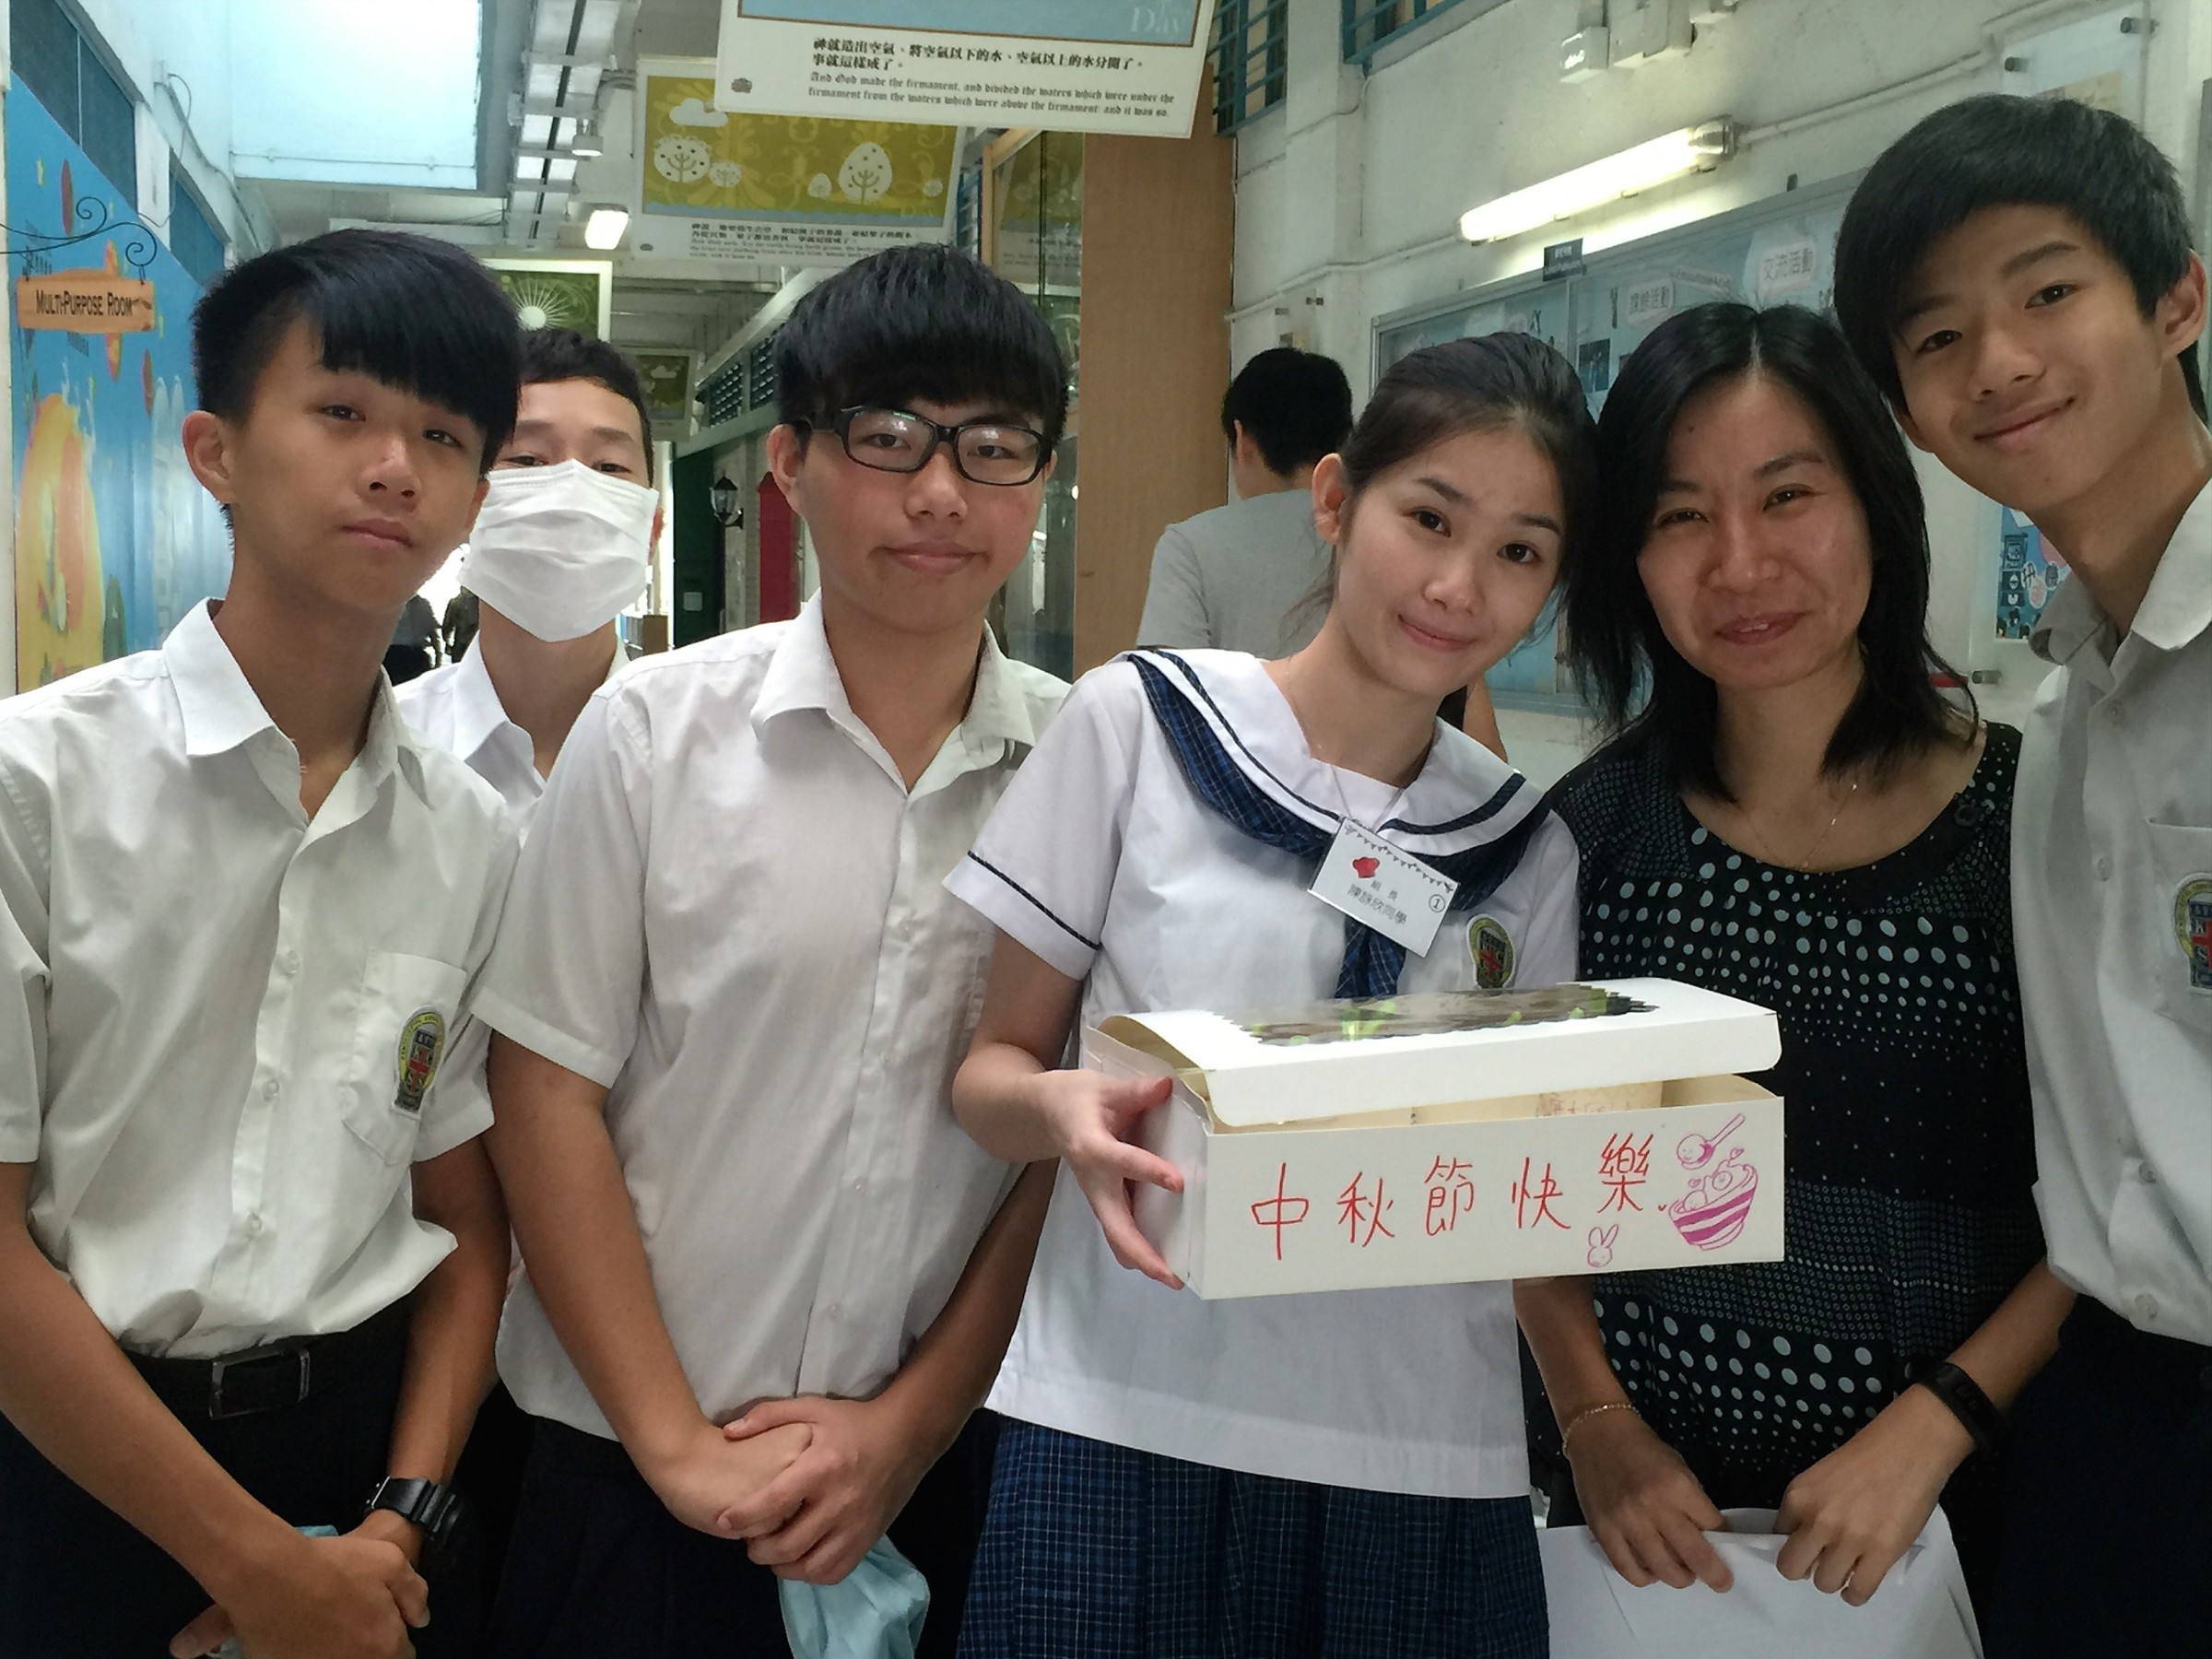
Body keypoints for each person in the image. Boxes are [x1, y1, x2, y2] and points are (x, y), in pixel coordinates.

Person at [946, 332, 1591, 1658]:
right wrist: (1061, 1110)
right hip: (1127, 1409)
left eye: (1521, 553)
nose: (1460, 586)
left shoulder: (1524, 847)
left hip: (1419, 1447)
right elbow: (988, 1077)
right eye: (1429, 520)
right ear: (1336, 498)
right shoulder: (1141, 726)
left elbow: (1526, 1179)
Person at [471, 242, 1070, 1659]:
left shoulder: (1087, 765)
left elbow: (1055, 1148)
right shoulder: (652, 735)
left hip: (941, 1475)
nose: (942, 491)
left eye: (992, 446)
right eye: (890, 436)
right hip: (627, 1479)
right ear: (792, 464)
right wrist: (676, 1445)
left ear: (1040, 480)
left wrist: (909, 1430)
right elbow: (542, 1091)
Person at [0, 229, 522, 1659]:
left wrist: (399, 1522)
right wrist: (261, 1571)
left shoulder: (469, 836)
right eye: (342, 411)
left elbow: (464, 1225)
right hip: (71, 1459)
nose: (395, 467)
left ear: (475, 497)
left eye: (443, 436)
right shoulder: (36, 784)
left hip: (360, 1474)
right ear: (215, 451)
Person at [1515, 301, 2065, 1617]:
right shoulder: (1592, 837)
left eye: (1787, 495)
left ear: (1876, 503)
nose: (1740, 562)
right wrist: (1595, 1423)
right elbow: (1521, 1171)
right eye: (1680, 515)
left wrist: (1936, 1423)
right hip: (1632, 1538)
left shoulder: (2031, 825)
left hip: (1952, 1526)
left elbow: (2125, 1187)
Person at [1833, 93, 2212, 1654]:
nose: (1996, 363)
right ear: (1912, 417)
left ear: (2178, 298)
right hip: (2112, 1426)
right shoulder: (2052, 727)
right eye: (1937, 338)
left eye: (2048, 291)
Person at [398, 328, 658, 830]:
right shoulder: (384, 751)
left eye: (608, 466)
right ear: (468, 507)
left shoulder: (706, 755)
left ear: (650, 529)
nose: (572, 495)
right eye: (528, 460)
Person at [1135, 346, 1352, 661]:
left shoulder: (1190, 546)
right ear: (1345, 440)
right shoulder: (1370, 534)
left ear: (1241, 440)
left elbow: (1165, 682)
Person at [386, 591, 441, 683]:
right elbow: (433, 633)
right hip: (398, 655)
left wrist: (438, 656)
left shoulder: (423, 604)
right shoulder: (423, 604)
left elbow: (433, 632)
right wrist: (438, 656)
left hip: (409, 656)